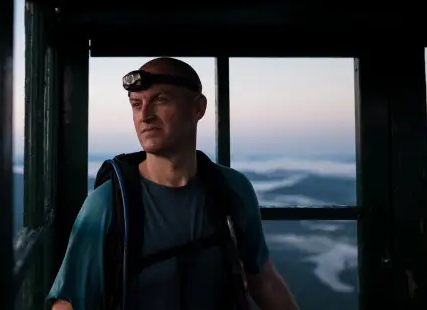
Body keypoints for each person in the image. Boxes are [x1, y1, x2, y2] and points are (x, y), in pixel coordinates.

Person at [47, 57, 299, 310]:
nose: (145, 116)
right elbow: (67, 305)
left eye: (160, 100)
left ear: (198, 108)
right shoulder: (108, 203)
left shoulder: (232, 189)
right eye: (136, 104)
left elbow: (263, 282)